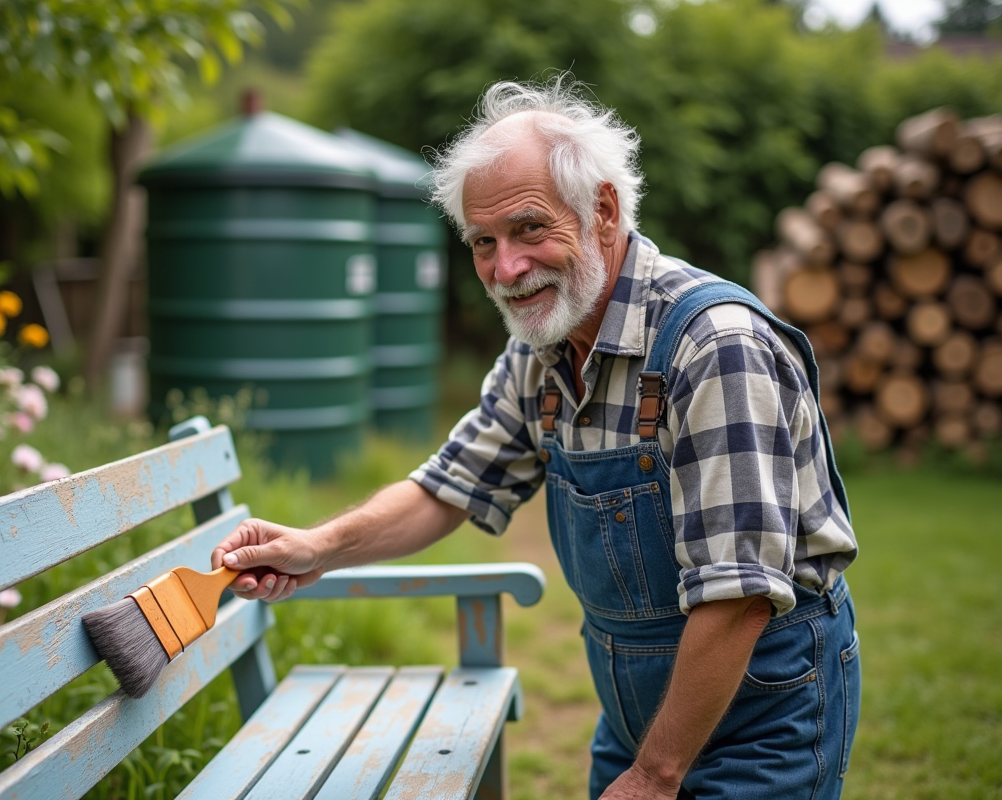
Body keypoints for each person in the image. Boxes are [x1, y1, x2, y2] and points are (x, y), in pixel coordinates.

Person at [211, 75, 861, 800]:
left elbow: (739, 594)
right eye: (482, 242)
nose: (505, 269)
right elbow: (449, 485)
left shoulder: (714, 346)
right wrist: (316, 549)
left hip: (761, 710)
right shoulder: (541, 351)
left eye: (528, 229)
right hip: (638, 715)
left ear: (603, 210)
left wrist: (653, 774)